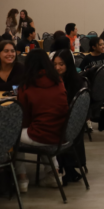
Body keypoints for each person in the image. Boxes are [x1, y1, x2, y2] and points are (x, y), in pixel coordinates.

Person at [15, 49, 69, 192]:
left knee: (14, 134)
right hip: (62, 133)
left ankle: (22, 178)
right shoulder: (58, 81)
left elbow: (24, 118)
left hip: (42, 135)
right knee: (45, 129)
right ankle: (54, 174)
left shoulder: (26, 86)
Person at [52, 49, 87, 185]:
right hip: (72, 125)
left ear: (68, 64)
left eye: (61, 64)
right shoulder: (54, 80)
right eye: (55, 64)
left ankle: (56, 169)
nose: (57, 68)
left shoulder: (74, 83)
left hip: (67, 124)